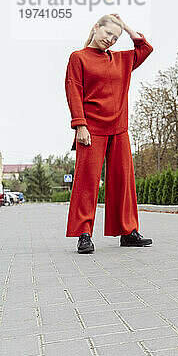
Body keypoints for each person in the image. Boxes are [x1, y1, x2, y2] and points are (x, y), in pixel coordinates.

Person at [64, 13, 153, 254]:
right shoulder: (78, 58)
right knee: (87, 183)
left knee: (124, 181)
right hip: (91, 129)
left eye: (115, 37)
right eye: (107, 33)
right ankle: (83, 234)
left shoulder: (122, 60)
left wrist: (125, 25)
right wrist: (79, 125)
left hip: (119, 129)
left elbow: (145, 48)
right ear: (96, 28)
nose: (111, 40)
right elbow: (73, 91)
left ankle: (128, 232)